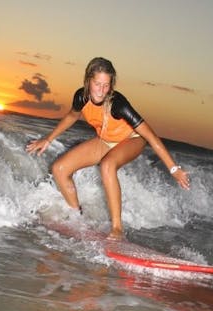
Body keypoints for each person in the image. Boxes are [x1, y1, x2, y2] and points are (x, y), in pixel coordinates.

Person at [26, 57, 189, 240]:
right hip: (105, 140)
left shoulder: (117, 104)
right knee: (60, 169)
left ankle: (117, 229)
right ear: (88, 80)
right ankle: (76, 217)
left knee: (107, 165)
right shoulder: (81, 96)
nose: (101, 91)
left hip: (132, 139)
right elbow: (72, 116)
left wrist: (173, 169)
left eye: (106, 85)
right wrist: (48, 139)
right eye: (97, 84)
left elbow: (150, 135)